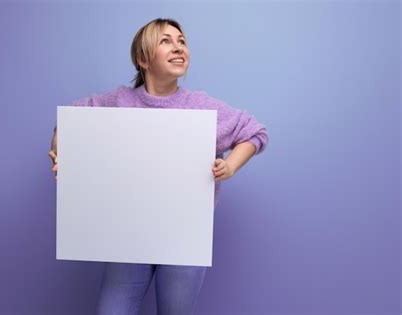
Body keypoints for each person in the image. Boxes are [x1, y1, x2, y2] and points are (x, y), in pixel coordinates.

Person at [48, 18, 268, 315]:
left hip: (184, 237)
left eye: (182, 41)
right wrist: (62, 153)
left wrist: (229, 167)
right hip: (127, 235)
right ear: (142, 59)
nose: (178, 47)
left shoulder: (201, 105)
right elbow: (69, 121)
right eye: (166, 41)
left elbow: (255, 133)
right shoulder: (119, 101)